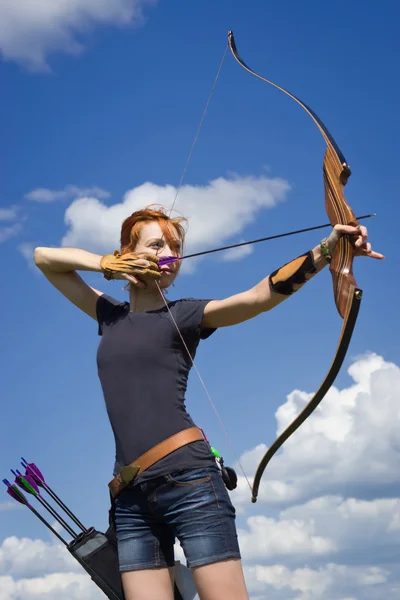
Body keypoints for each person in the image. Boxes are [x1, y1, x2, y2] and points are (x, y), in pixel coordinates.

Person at [33, 206, 383, 600]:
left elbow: (257, 298)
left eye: (176, 247)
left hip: (190, 482)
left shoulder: (185, 315)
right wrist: (104, 264)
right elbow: (44, 259)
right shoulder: (109, 316)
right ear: (126, 252)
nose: (170, 253)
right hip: (129, 495)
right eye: (156, 244)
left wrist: (326, 251)